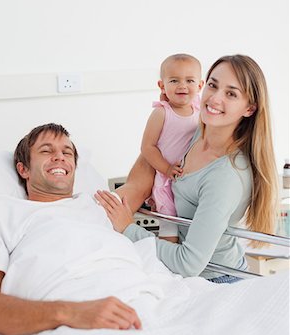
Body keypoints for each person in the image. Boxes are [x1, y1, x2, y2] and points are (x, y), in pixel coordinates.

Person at [96, 54, 279, 283]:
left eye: (231, 93)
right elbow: (152, 153)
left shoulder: (226, 177)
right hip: (185, 271)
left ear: (249, 109)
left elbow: (188, 263)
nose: (214, 98)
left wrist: (128, 228)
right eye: (213, 85)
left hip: (216, 279)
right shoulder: (199, 132)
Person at [0, 123, 142, 335]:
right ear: (23, 169)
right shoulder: (4, 211)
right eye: (46, 150)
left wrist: (174, 112)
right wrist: (72, 312)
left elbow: (141, 180)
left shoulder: (98, 204)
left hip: (145, 294)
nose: (60, 157)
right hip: (75, 316)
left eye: (67, 152)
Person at [141, 53, 203, 242]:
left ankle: (187, 261)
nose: (182, 85)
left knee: (192, 224)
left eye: (190, 80)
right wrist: (166, 168)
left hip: (191, 178)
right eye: (174, 80)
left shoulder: (200, 110)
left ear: (200, 86)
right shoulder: (161, 113)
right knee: (170, 224)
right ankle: (166, 265)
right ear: (162, 86)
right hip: (167, 179)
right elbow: (147, 147)